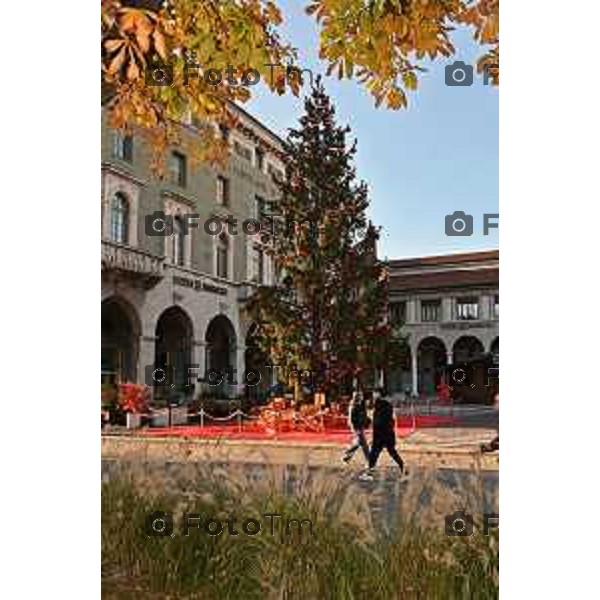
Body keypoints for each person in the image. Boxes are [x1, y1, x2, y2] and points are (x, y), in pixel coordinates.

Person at [359, 389, 406, 481]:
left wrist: (373, 430)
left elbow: (378, 421)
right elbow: (390, 420)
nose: (373, 395)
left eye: (374, 393)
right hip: (388, 433)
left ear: (378, 395)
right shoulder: (387, 405)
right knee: (391, 452)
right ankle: (402, 467)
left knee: (374, 454)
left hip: (380, 434)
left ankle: (369, 473)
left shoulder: (379, 404)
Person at [342, 391, 371, 464]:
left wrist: (368, 421)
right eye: (359, 396)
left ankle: (346, 456)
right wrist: (354, 428)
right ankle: (369, 460)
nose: (361, 398)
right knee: (364, 444)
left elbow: (364, 415)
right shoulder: (353, 406)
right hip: (357, 427)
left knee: (358, 443)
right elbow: (351, 419)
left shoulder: (361, 405)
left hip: (360, 425)